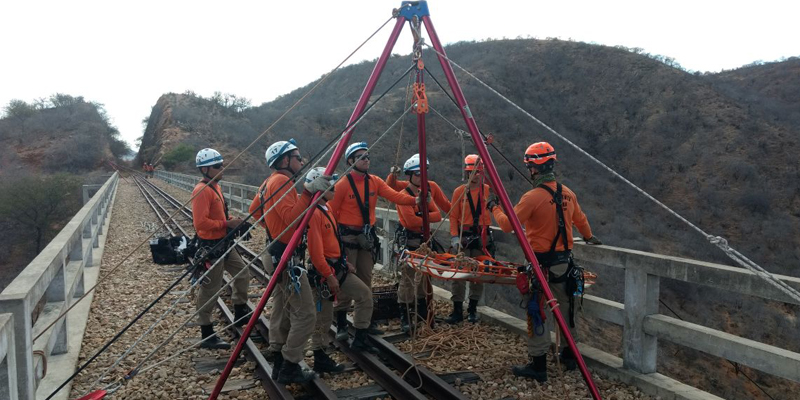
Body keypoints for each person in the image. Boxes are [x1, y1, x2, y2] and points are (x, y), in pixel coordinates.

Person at [488, 141, 601, 382]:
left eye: (529, 166)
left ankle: (538, 365)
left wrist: (495, 208)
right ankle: (570, 357)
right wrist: (590, 238)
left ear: (534, 168)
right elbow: (581, 221)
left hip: (541, 268)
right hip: (565, 265)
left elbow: (508, 225)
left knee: (536, 311)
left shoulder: (532, 197)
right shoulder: (568, 193)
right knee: (567, 310)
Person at [248, 139, 331, 384]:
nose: (301, 161)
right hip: (285, 257)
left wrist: (273, 228)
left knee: (283, 306)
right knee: (306, 313)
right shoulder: (282, 181)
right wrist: (307, 193)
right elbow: (293, 220)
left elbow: (256, 212)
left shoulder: (267, 183)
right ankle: (290, 364)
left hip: (275, 252)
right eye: (297, 157)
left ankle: (278, 357)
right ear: (284, 161)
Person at [327, 141, 419, 338]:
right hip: (347, 238)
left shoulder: (374, 181)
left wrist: (415, 200)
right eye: (362, 157)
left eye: (367, 156)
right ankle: (341, 322)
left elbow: (394, 196)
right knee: (345, 280)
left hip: (366, 238)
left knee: (365, 278)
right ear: (351, 161)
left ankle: (364, 323)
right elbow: (332, 214)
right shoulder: (343, 184)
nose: (367, 160)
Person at [305, 167, 378, 374]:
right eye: (331, 185)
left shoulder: (326, 210)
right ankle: (319, 356)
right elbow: (317, 252)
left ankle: (361, 338)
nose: (335, 188)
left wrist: (345, 262)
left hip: (338, 267)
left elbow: (334, 242)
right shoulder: (314, 215)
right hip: (325, 271)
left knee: (365, 295)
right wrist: (328, 275)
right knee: (323, 316)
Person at [191, 148, 249, 350]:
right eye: (217, 166)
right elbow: (200, 224)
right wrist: (227, 225)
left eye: (222, 164)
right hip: (211, 247)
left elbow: (217, 217)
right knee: (210, 290)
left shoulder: (215, 186)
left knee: (242, 273)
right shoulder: (202, 190)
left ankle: (240, 311)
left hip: (223, 243)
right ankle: (206, 333)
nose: (222, 168)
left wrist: (232, 221)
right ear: (205, 169)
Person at [388, 154, 451, 332]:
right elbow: (410, 222)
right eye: (417, 174)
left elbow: (438, 215)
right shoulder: (403, 196)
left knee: (424, 278)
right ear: (409, 175)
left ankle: (422, 312)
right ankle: (406, 316)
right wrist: (426, 214)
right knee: (408, 279)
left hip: (424, 242)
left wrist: (423, 214)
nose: (422, 177)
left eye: (424, 173)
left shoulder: (427, 192)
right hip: (409, 242)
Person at [447, 154, 494, 324]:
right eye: (474, 172)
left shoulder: (488, 191)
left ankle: (472, 308)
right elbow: (453, 217)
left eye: (479, 172)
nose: (477, 175)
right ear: (468, 173)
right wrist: (454, 237)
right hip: (464, 236)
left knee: (477, 274)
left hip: (482, 236)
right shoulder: (460, 192)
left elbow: (497, 205)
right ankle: (457, 309)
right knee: (459, 274)